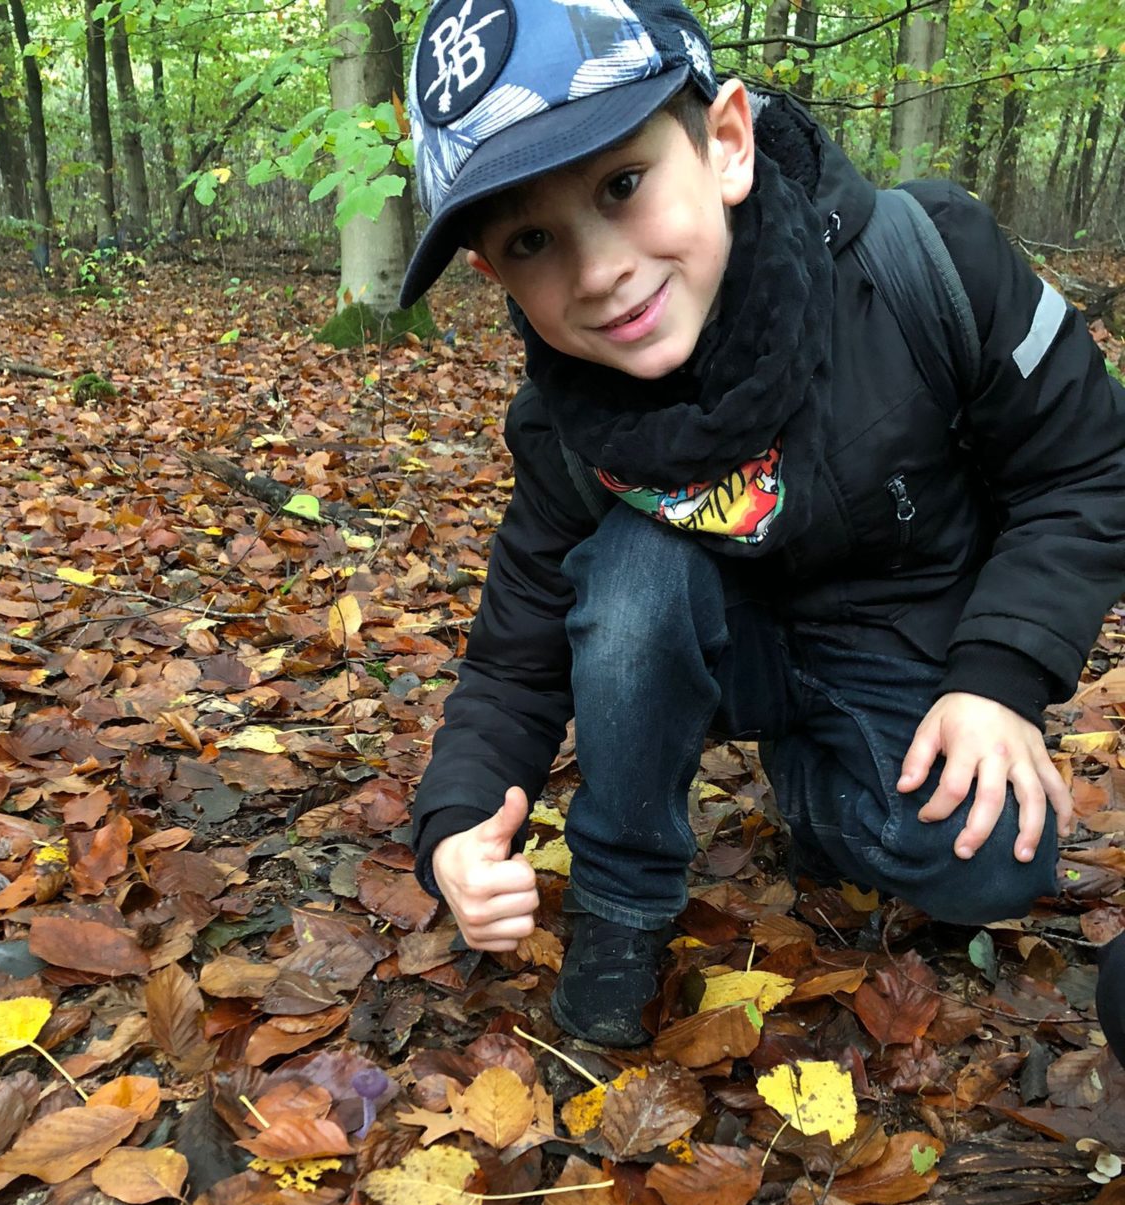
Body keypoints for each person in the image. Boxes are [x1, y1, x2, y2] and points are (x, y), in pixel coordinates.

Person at [400, 0, 1125, 1051]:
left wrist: (998, 677)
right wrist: (455, 828)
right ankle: (623, 898)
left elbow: (1089, 464)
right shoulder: (566, 428)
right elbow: (513, 662)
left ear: (727, 143)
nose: (598, 271)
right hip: (708, 640)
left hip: (893, 629)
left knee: (993, 858)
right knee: (634, 574)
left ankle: (817, 783)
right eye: (532, 241)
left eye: (623, 184)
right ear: (493, 274)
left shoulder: (925, 267)